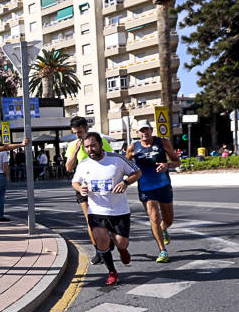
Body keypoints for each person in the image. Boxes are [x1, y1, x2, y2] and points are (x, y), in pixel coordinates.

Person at [72, 132, 141, 286]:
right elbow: (75, 182)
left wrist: (125, 183)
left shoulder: (117, 159)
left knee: (121, 243)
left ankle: (122, 250)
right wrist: (80, 188)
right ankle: (112, 272)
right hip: (96, 211)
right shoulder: (83, 164)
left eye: (93, 145)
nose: (90, 149)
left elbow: (137, 172)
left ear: (100, 144)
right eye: (87, 147)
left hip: (119, 210)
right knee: (102, 242)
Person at [126, 124, 181, 263]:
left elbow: (177, 161)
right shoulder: (132, 148)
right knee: (154, 217)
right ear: (137, 132)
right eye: (141, 130)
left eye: (147, 129)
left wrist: (167, 165)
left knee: (168, 220)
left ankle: (164, 228)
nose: (145, 132)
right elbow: (125, 166)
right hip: (145, 187)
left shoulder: (163, 142)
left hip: (163, 185)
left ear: (151, 130)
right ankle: (162, 250)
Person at [64, 116, 114, 265]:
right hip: (83, 187)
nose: (78, 135)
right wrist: (75, 151)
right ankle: (99, 250)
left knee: (106, 218)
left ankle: (106, 239)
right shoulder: (73, 145)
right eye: (75, 133)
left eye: (79, 131)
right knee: (90, 220)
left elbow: (111, 158)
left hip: (101, 185)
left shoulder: (99, 141)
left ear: (86, 128)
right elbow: (68, 167)